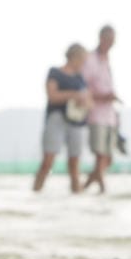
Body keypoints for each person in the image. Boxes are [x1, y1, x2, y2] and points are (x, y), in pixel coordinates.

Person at [33, 44, 90, 194]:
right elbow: (52, 96)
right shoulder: (55, 72)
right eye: (83, 60)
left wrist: (84, 102)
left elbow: (89, 102)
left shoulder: (80, 78)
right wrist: (73, 95)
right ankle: (36, 194)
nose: (84, 64)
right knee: (48, 161)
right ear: (74, 57)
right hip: (56, 118)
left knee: (75, 164)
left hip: (77, 123)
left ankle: (76, 197)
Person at [82, 26, 122, 193]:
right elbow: (83, 88)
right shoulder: (90, 59)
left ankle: (83, 188)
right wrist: (103, 97)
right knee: (100, 156)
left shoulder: (107, 60)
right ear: (101, 38)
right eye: (108, 40)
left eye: (113, 41)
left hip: (110, 116)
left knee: (108, 158)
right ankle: (102, 191)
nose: (110, 44)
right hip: (96, 114)